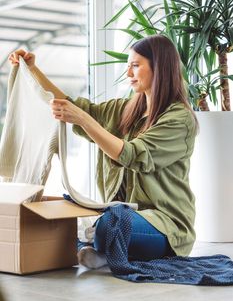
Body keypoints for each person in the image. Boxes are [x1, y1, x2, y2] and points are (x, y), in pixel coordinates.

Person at [9, 34, 198, 269]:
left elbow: (132, 154)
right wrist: (33, 70)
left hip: (166, 227)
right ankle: (103, 248)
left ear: (159, 68)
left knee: (112, 223)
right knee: (77, 218)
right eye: (128, 66)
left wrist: (86, 120)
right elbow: (73, 108)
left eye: (135, 66)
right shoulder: (124, 109)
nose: (128, 73)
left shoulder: (179, 120)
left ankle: (103, 249)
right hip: (121, 213)